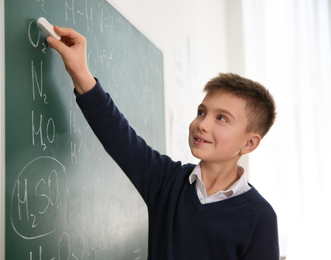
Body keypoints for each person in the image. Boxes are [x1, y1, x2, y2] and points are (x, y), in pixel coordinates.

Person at [46, 26, 280, 259]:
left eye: (221, 118)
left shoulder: (260, 218)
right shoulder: (167, 181)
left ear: (249, 143)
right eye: (201, 112)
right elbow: (117, 135)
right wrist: (79, 71)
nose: (202, 124)